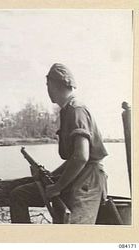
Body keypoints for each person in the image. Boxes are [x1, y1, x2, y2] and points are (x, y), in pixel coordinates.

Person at [10, 63, 108, 224]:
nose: (47, 90)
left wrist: (57, 186)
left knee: (74, 234)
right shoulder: (67, 110)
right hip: (79, 176)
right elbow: (75, 159)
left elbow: (82, 157)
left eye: (48, 85)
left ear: (55, 84)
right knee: (19, 195)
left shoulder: (76, 109)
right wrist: (51, 176)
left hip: (88, 180)